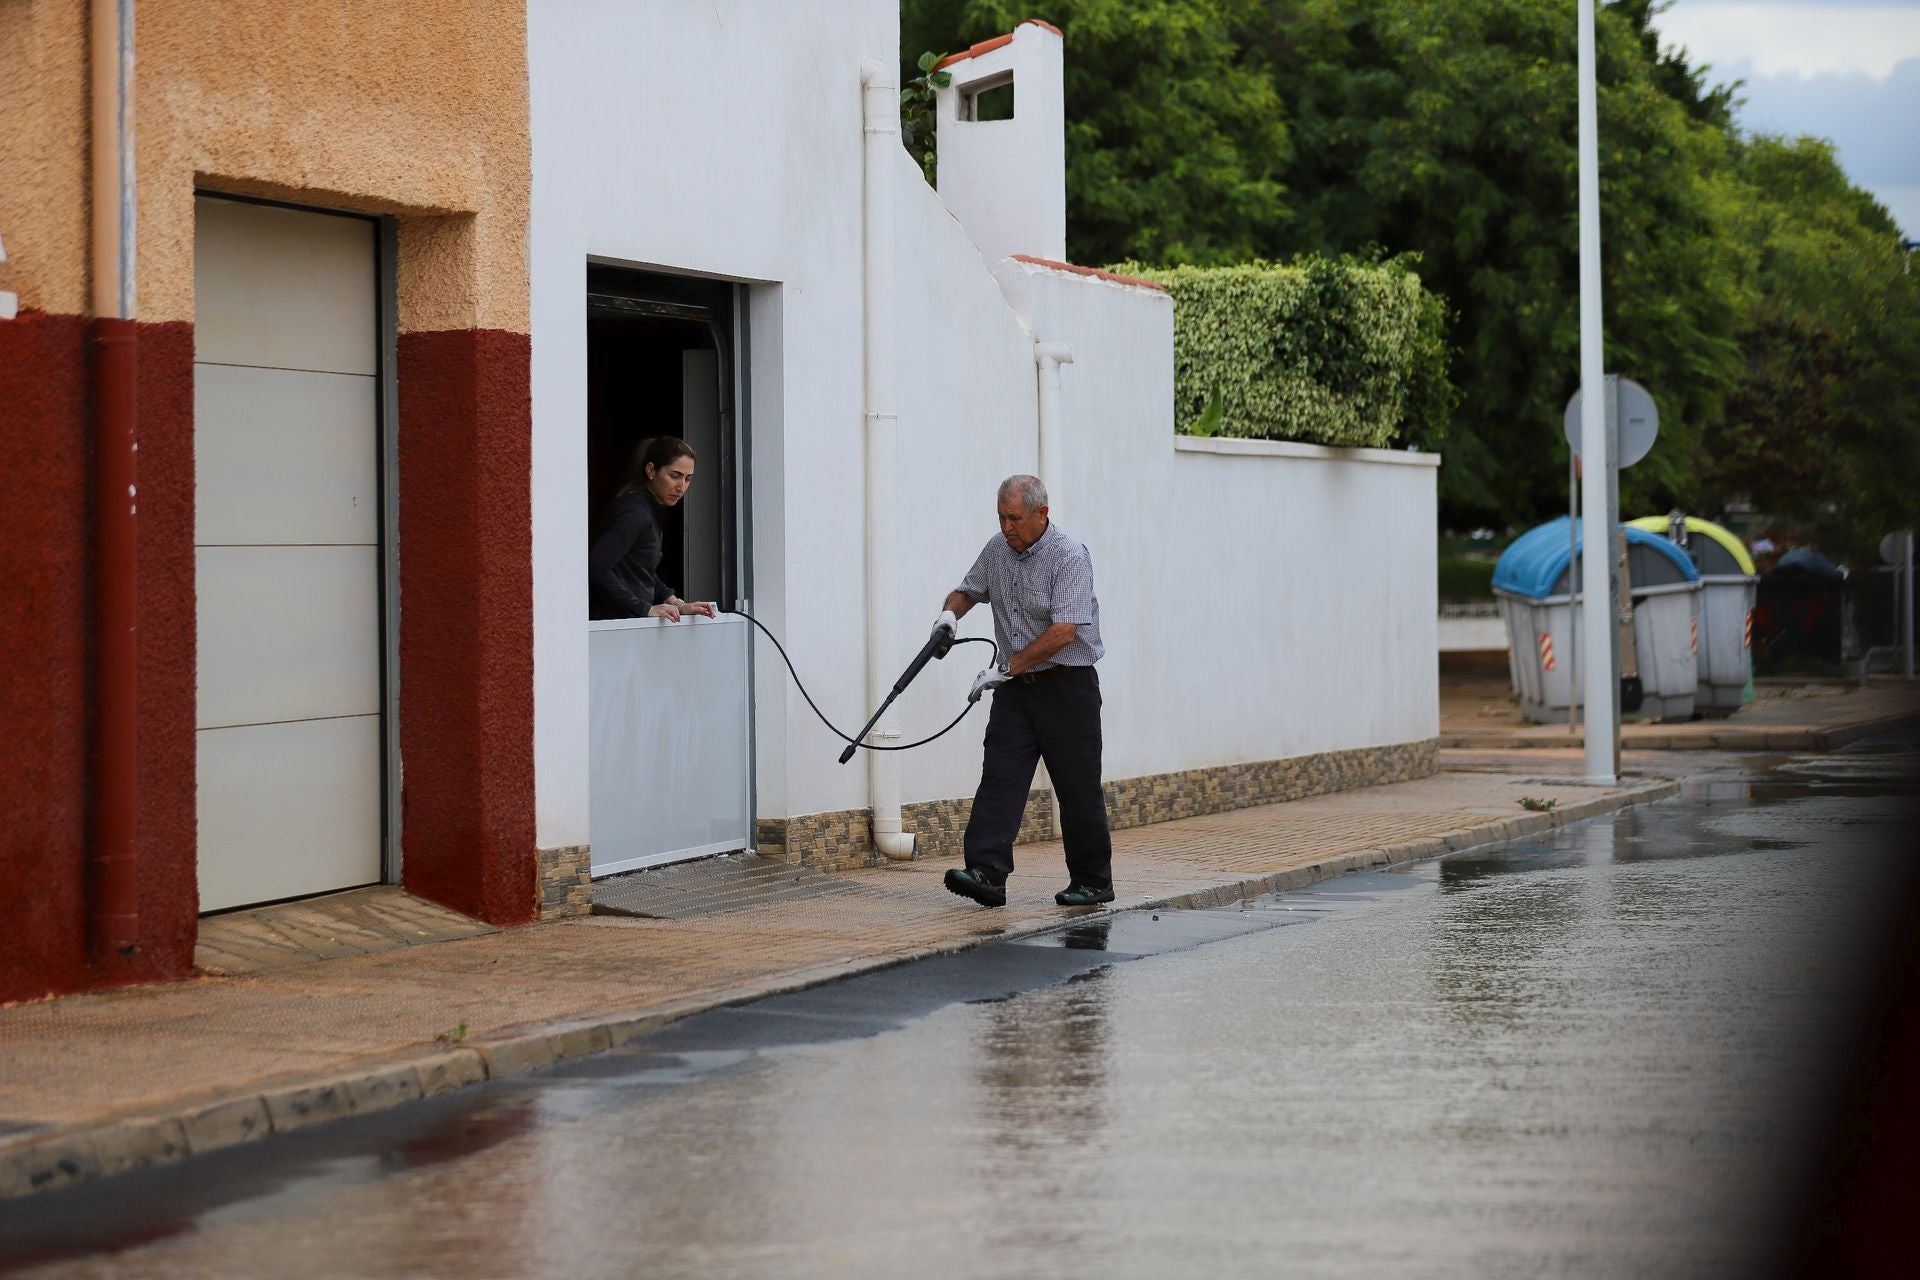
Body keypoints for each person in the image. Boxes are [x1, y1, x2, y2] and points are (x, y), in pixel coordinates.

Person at [936, 475, 1114, 909]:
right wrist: (947, 617)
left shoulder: (1068, 556)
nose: (1007, 526)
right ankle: (986, 873)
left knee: (1076, 787)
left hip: (1066, 688)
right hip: (1016, 691)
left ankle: (1093, 881)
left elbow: (1064, 631)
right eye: (1001, 516)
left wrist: (1007, 667)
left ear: (1041, 514)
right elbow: (967, 590)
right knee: (1000, 776)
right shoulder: (997, 549)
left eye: (1015, 517)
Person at [588, 436, 717, 622]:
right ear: (651, 470)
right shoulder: (636, 511)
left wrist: (678, 605)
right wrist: (645, 608)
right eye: (675, 476)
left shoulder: (648, 507)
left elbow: (639, 570)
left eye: (688, 478)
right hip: (615, 627)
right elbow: (598, 566)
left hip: (628, 625)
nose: (682, 487)